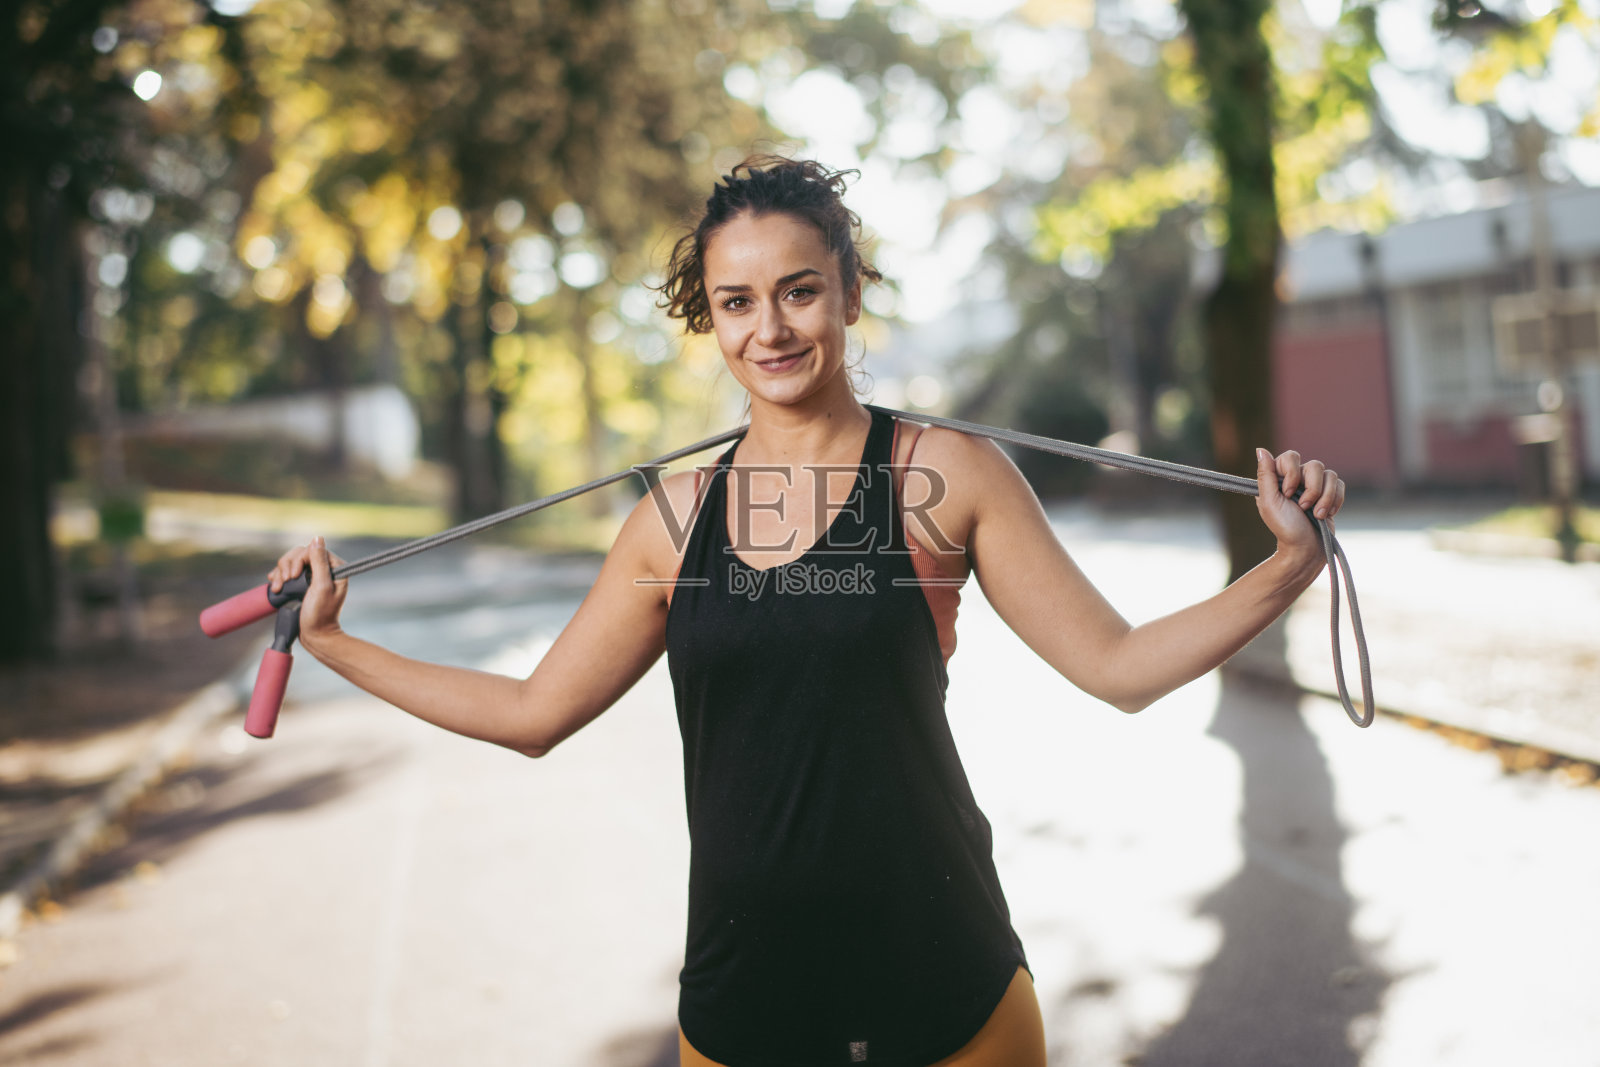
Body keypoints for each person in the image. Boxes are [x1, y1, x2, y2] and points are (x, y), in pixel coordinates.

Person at [268, 157, 1345, 1067]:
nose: (769, 328)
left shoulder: (946, 471)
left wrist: (1281, 572)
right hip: (746, 998)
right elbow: (534, 710)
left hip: (945, 980)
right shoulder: (671, 520)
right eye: (737, 302)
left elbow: (1117, 665)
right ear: (710, 318)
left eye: (798, 291)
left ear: (847, 293)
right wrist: (333, 641)